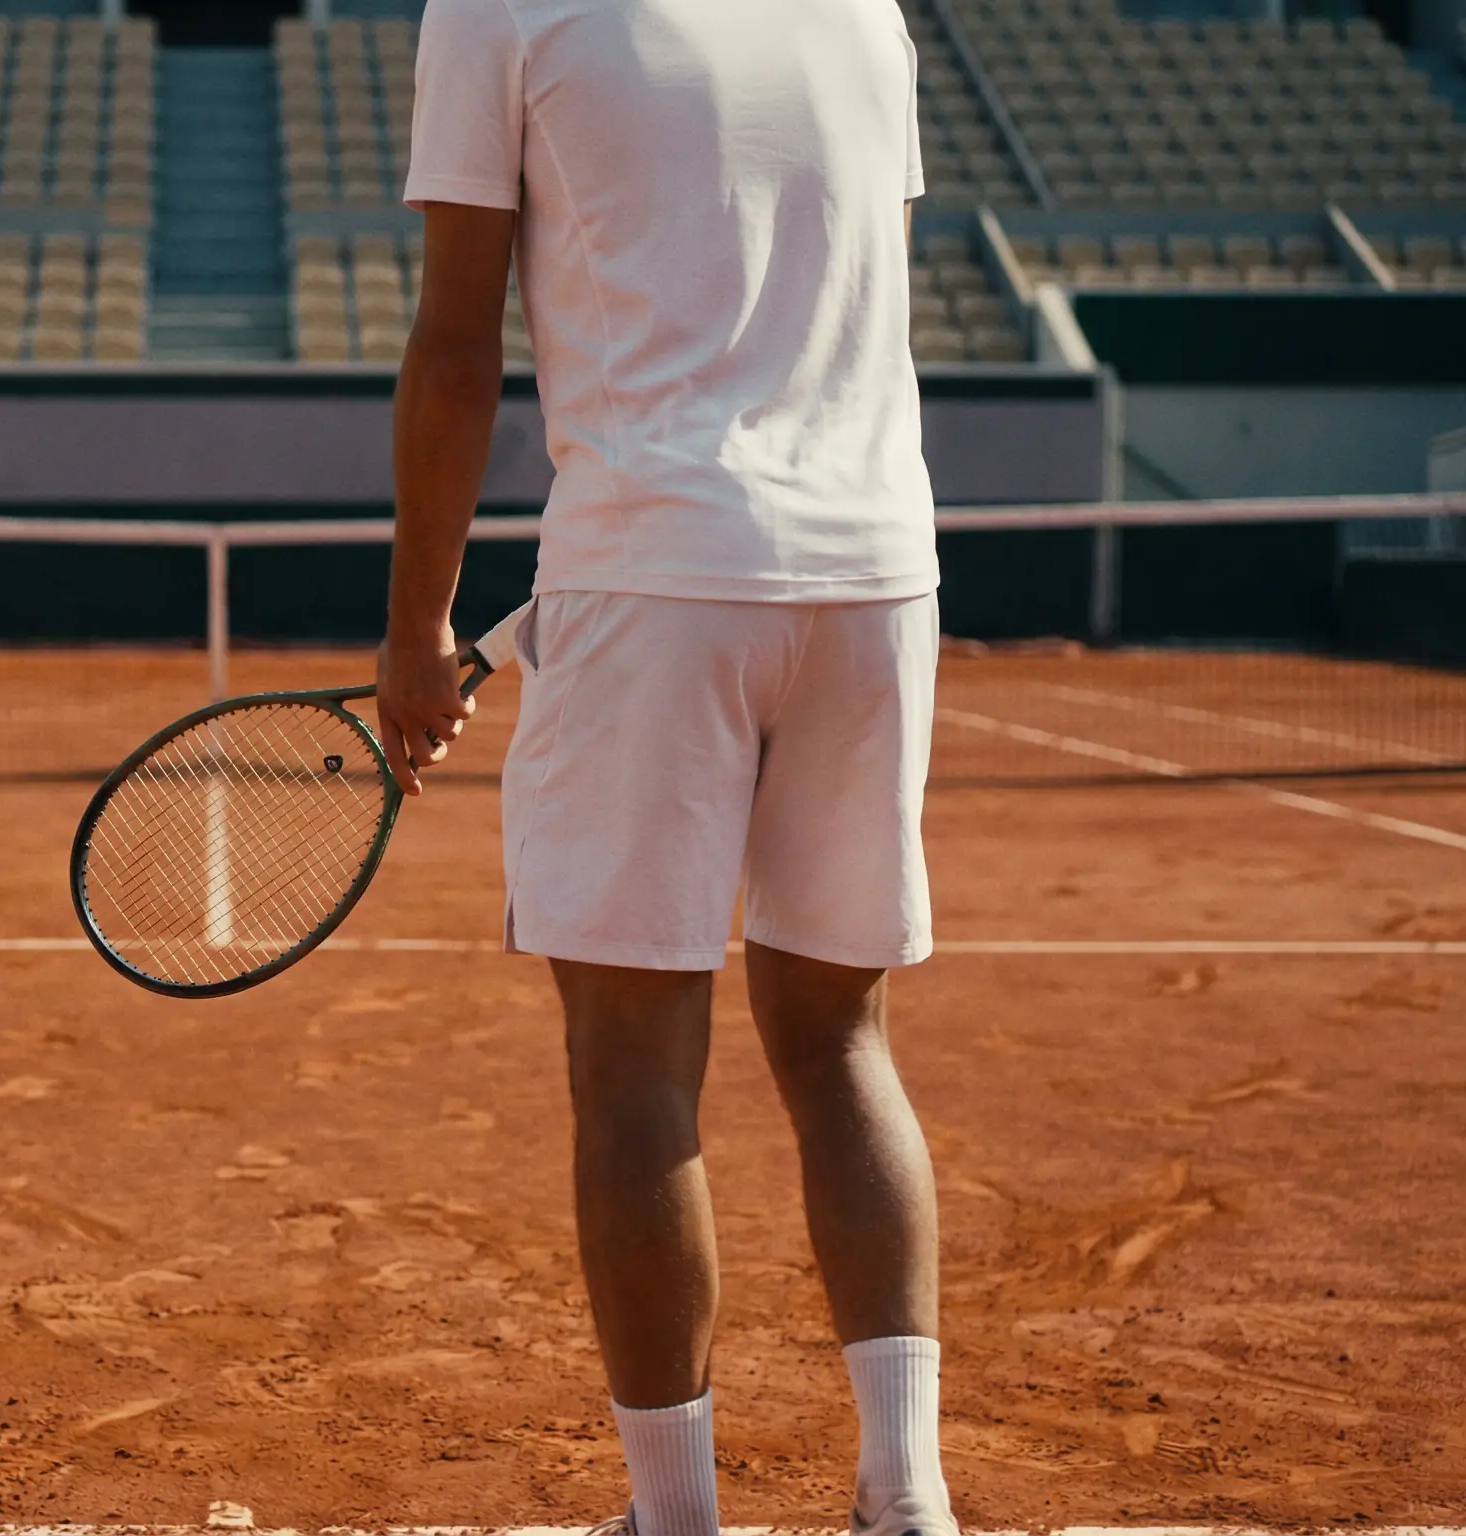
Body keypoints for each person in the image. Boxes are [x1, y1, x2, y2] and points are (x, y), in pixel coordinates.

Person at [371, 2, 955, 1536]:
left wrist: (420, 622)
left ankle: (675, 1518)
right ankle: (908, 1501)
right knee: (842, 1043)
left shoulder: (494, 9)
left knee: (635, 1066)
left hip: (659, 569)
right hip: (881, 576)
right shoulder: (864, 12)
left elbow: (454, 346)